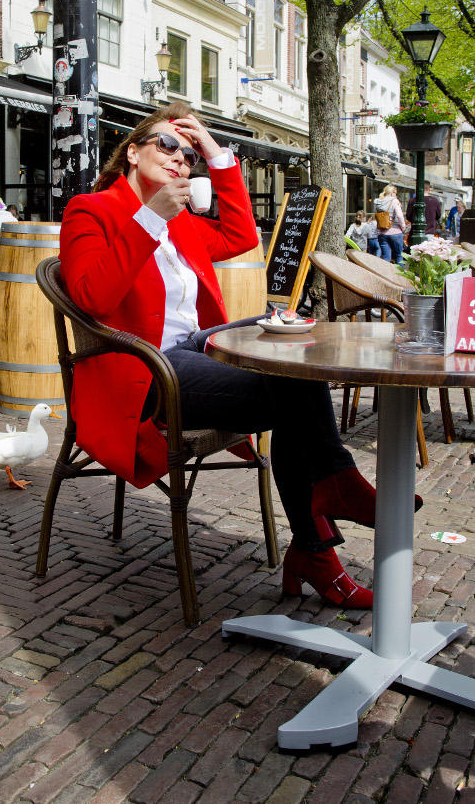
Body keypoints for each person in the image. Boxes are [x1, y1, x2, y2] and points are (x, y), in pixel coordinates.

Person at [59, 105, 423, 609]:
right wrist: (148, 219)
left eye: (188, 156)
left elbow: (242, 236)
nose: (180, 160)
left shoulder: (181, 220)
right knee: (291, 392)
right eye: (166, 146)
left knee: (295, 341)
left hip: (193, 349)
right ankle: (324, 518)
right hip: (143, 371)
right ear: (132, 152)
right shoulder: (91, 210)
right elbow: (91, 298)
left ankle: (324, 518)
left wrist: (215, 152)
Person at [374, 184, 406, 264]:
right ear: (392, 193)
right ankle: (399, 276)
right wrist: (403, 227)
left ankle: (386, 275)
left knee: (385, 257)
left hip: (382, 233)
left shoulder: (378, 202)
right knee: (398, 256)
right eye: (395, 193)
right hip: (395, 232)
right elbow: (399, 215)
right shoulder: (394, 201)